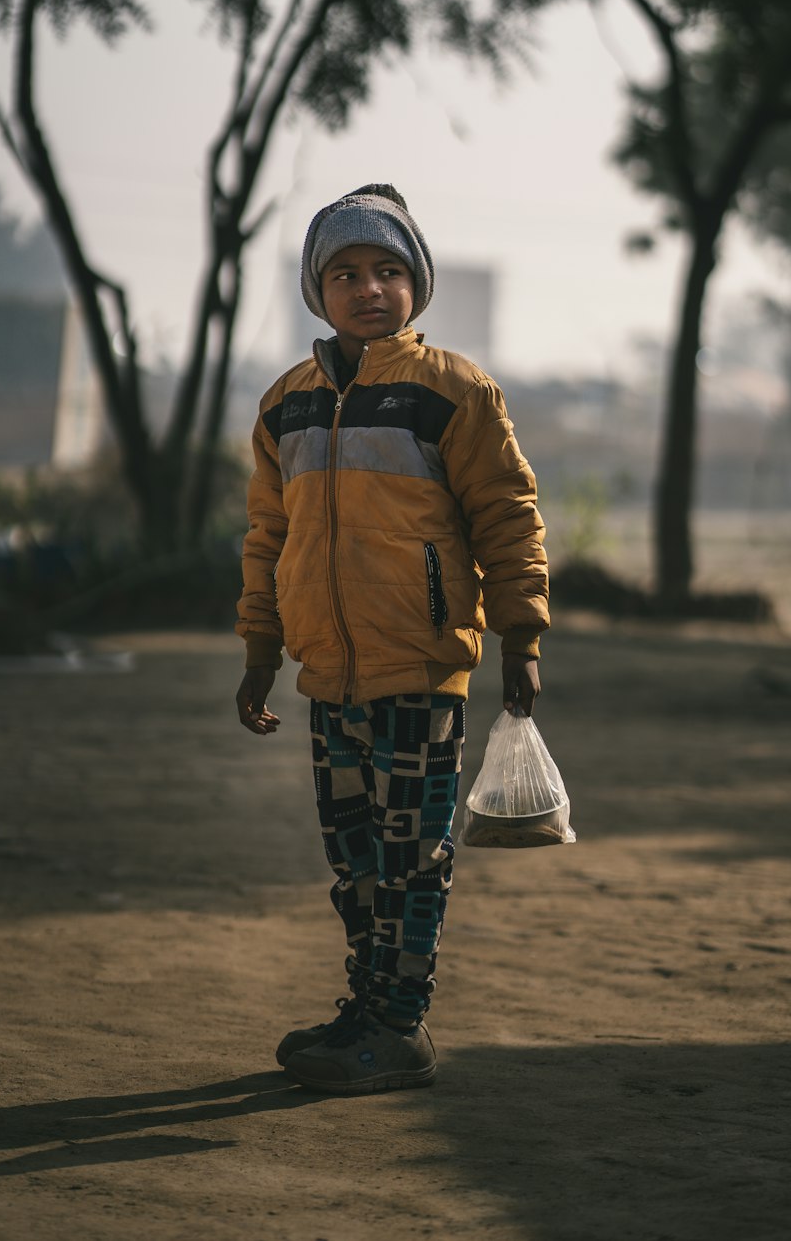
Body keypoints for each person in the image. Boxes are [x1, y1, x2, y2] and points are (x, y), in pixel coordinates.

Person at [235, 183, 549, 1095]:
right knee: (356, 859)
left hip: (419, 668)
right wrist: (262, 650)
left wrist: (523, 635)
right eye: (344, 274)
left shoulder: (452, 391)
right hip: (326, 676)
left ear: (417, 284)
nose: (367, 289)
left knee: (414, 860)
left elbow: (506, 513)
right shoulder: (285, 405)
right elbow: (268, 536)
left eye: (387, 271)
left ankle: (400, 1029)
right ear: (315, 291)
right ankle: (366, 1009)